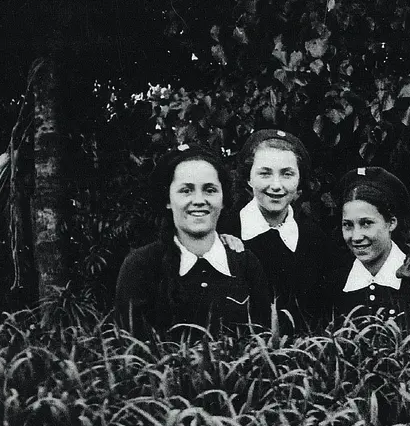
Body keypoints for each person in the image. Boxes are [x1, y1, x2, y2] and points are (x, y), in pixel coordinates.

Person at [115, 144, 269, 339]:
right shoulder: (141, 266)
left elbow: (264, 344)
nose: (199, 200)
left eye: (210, 190)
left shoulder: (245, 263)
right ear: (168, 200)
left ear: (223, 199)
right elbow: (129, 354)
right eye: (186, 190)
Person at [219, 129, 336, 333]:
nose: (276, 185)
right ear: (248, 178)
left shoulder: (315, 239)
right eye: (265, 173)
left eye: (287, 174)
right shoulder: (223, 232)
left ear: (299, 180)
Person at [332, 166, 410, 330]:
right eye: (348, 225)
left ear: (391, 223)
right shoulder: (336, 282)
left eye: (367, 223)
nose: (356, 236)